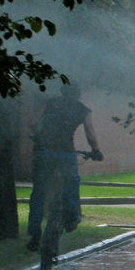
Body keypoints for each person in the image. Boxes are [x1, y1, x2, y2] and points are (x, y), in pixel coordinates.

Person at [27, 83, 102, 252]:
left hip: (43, 151)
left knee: (39, 191)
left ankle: (34, 233)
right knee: (72, 182)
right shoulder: (83, 109)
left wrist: (37, 134)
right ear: (78, 94)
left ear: (62, 91)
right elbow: (90, 133)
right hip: (65, 152)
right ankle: (72, 218)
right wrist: (96, 151)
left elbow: (33, 122)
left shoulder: (49, 102)